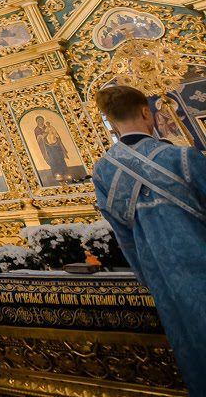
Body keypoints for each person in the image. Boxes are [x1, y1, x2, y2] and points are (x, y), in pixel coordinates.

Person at [92, 85, 206, 396]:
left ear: (111, 123)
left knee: (191, 345)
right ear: (147, 113)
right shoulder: (181, 157)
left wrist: (147, 275)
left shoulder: (103, 171)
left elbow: (124, 236)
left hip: (160, 274)